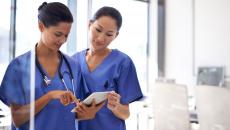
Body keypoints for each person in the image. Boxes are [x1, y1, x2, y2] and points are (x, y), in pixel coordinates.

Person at [0, 2, 103, 130]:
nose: (63, 40)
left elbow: (74, 112)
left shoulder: (73, 66)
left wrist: (88, 113)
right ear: (41, 26)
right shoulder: (18, 67)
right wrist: (49, 96)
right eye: (58, 34)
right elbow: (18, 119)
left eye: (66, 35)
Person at [72, 6, 143, 130]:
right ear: (89, 25)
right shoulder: (73, 61)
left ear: (116, 35)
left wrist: (115, 106)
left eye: (109, 34)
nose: (101, 38)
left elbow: (126, 114)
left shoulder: (123, 62)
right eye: (98, 30)